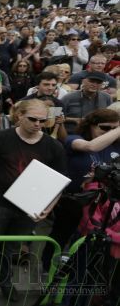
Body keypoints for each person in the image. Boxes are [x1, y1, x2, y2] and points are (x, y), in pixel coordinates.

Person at [0, 99, 67, 301]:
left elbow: (59, 181)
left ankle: (5, 280)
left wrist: (48, 206)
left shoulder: (54, 147)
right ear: (19, 116)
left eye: (42, 121)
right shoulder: (2, 138)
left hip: (28, 207)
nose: (38, 124)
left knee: (13, 247)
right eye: (33, 119)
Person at [41, 108, 120, 272]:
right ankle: (46, 270)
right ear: (90, 125)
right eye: (105, 128)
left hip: (100, 206)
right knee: (60, 236)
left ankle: (76, 276)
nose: (109, 133)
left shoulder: (116, 147)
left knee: (87, 243)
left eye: (114, 129)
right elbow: (91, 147)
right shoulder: (74, 139)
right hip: (74, 201)